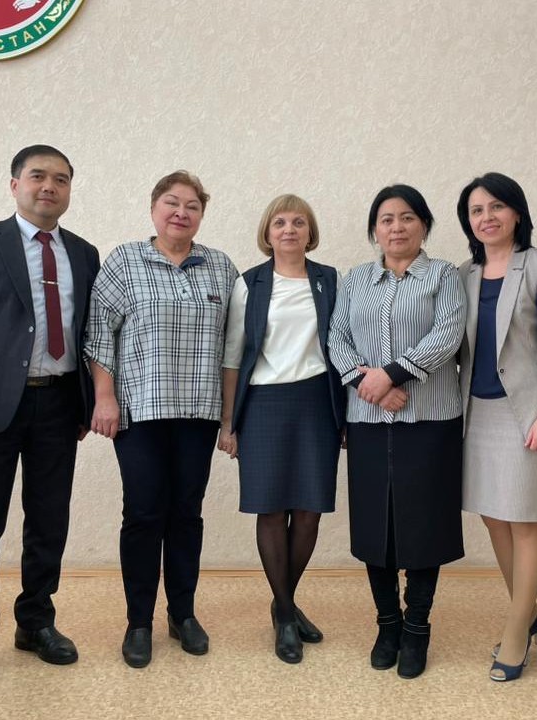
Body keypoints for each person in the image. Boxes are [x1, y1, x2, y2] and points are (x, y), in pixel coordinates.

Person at [0, 144, 100, 689]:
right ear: (15, 185)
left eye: (61, 179)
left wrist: (87, 400)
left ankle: (35, 622)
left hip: (60, 404)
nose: (49, 186)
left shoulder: (84, 253)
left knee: (49, 522)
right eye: (37, 176)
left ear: (70, 190)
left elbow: (89, 332)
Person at [86, 170, 238, 669]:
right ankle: (138, 622)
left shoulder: (220, 267)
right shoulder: (126, 261)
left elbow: (235, 345)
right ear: (154, 209)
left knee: (186, 514)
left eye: (192, 205)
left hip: (198, 412)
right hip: (139, 411)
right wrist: (104, 398)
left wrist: (230, 418)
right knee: (144, 513)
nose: (181, 212)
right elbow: (98, 334)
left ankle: (182, 614)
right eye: (172, 202)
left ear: (202, 215)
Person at [328, 184, 465, 680]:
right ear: (375, 230)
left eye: (407, 217)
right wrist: (371, 386)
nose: (397, 227)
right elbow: (337, 338)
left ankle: (417, 628)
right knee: (376, 525)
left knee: (424, 525)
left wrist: (391, 375)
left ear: (424, 225)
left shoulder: (444, 276)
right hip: (368, 420)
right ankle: (387, 624)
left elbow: (448, 334)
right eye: (386, 219)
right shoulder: (355, 279)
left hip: (429, 420)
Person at [217, 194, 345, 664]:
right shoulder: (249, 283)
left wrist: (346, 415)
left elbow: (344, 345)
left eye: (298, 222)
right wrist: (228, 423)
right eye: (279, 223)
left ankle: (283, 606)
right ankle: (287, 616)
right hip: (264, 404)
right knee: (270, 509)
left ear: (310, 233)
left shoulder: (330, 280)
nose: (289, 230)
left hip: (317, 402)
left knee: (309, 510)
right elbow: (234, 356)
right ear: (267, 233)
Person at [456, 172, 537, 682]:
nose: (487, 217)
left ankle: (516, 631)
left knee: (524, 521)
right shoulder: (464, 273)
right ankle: (532, 613)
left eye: (496, 207)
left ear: (517, 212)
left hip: (527, 410)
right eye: (476, 210)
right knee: (493, 518)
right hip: (476, 411)